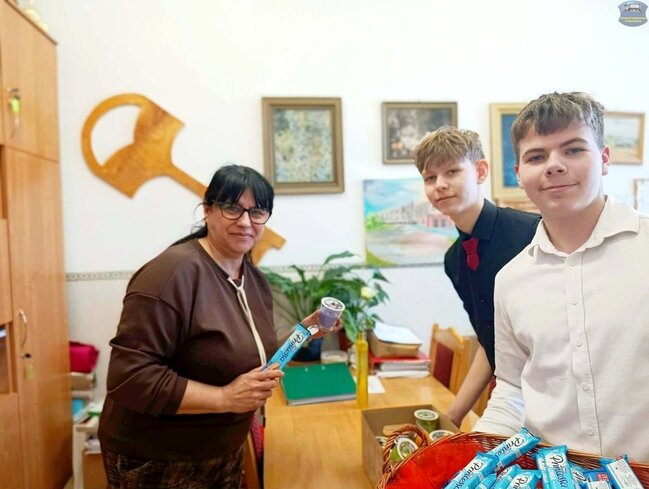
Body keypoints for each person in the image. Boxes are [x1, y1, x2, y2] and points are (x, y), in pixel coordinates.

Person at [98, 164, 340, 488]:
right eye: (232, 208)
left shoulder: (253, 279)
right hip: (158, 459)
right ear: (208, 210)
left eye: (257, 212)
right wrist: (225, 397)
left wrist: (304, 331)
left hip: (222, 452)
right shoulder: (171, 274)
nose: (245, 222)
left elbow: (247, 352)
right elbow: (129, 377)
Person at [474, 92, 649, 461]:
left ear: (604, 159)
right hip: (549, 475)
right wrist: (470, 460)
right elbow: (511, 389)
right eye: (536, 157)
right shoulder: (510, 280)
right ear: (519, 174)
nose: (554, 165)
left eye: (573, 150)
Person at [413, 126, 541, 427]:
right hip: (511, 399)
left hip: (558, 396)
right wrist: (452, 417)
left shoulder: (531, 231)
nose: (440, 185)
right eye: (430, 178)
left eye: (452, 172)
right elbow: (490, 342)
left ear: (480, 171)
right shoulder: (454, 260)